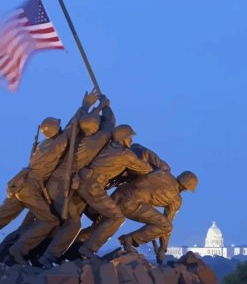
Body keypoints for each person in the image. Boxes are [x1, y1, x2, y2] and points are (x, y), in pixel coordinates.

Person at [0, 90, 98, 265]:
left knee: (3, 217)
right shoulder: (57, 144)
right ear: (56, 130)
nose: (61, 128)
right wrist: (85, 105)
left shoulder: (42, 144)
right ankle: (18, 250)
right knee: (50, 220)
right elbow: (72, 127)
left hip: (19, 184)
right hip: (30, 187)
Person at [76, 144, 198, 264]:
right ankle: (128, 240)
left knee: (104, 223)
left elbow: (140, 148)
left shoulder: (164, 169)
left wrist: (140, 166)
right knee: (166, 226)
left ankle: (78, 241)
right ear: (187, 189)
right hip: (132, 204)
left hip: (120, 193)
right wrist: (163, 248)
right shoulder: (176, 200)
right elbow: (166, 227)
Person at [38, 94, 116, 268]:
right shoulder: (94, 141)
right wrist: (105, 107)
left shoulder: (71, 136)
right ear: (95, 128)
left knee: (66, 220)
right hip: (61, 187)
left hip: (58, 184)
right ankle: (47, 258)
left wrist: (86, 106)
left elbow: (71, 124)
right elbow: (110, 126)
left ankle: (56, 253)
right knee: (73, 223)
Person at [76, 126, 152, 259]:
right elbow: (144, 169)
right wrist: (147, 161)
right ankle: (88, 248)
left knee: (102, 219)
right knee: (117, 217)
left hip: (84, 183)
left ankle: (77, 244)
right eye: (129, 137)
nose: (131, 139)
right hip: (93, 187)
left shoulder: (109, 147)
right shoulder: (125, 153)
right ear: (123, 138)